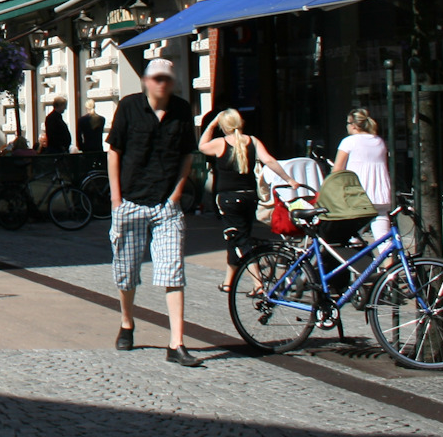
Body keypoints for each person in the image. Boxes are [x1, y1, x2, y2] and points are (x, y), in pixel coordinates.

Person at [106, 58, 202, 367]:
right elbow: (114, 152)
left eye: (167, 79)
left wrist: (176, 194)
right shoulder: (129, 107)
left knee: (173, 272)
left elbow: (188, 154)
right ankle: (127, 322)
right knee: (127, 273)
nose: (161, 84)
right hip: (131, 202)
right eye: (156, 78)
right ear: (146, 81)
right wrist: (116, 199)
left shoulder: (182, 110)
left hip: (166, 206)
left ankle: (177, 343)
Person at [198, 109, 303, 286]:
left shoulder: (220, 143)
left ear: (224, 125)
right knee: (237, 236)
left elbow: (201, 146)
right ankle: (228, 282)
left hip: (228, 199)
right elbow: (269, 160)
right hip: (249, 198)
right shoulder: (253, 141)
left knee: (240, 240)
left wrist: (213, 124)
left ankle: (258, 283)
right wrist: (289, 180)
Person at [333, 107, 394, 247]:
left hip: (358, 196)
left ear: (353, 125)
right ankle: (390, 268)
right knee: (384, 240)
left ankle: (358, 266)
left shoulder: (349, 141)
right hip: (380, 195)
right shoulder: (379, 141)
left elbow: (337, 170)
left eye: (348, 123)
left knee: (349, 237)